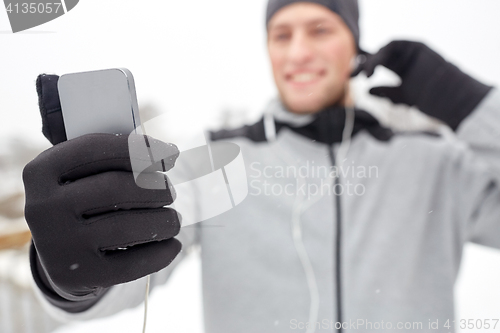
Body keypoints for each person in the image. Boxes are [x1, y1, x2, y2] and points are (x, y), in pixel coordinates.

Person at [23, 0, 500, 332]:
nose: (298, 52)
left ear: (354, 45)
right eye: (281, 35)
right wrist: (69, 271)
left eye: (321, 30)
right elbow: (136, 256)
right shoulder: (212, 161)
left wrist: (473, 107)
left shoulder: (436, 160)